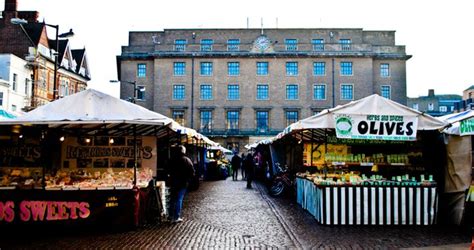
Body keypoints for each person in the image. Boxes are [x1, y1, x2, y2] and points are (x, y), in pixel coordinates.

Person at [168, 145, 195, 223]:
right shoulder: (187, 160)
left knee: (173, 199)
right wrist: (188, 179)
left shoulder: (171, 160)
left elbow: (167, 169)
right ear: (184, 151)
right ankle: (176, 216)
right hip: (183, 183)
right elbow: (192, 172)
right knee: (179, 199)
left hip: (173, 182)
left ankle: (170, 216)